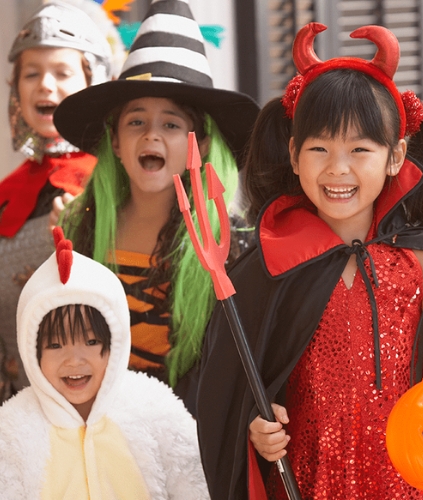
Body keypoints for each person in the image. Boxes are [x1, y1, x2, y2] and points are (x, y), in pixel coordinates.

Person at [196, 23, 423, 500]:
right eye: (319, 148)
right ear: (295, 155)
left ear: (396, 156)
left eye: (360, 149)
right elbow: (249, 390)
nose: (338, 168)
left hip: (404, 474)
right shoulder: (277, 264)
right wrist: (260, 429)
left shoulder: (417, 256)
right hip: (310, 476)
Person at [53, 0, 259, 414]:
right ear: (115, 141)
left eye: (171, 124)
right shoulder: (81, 230)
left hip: (188, 446)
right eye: (136, 121)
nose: (151, 135)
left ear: (197, 145)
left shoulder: (235, 246)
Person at [0, 227, 209, 499]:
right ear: (31, 350)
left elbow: (198, 487)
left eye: (91, 342)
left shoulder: (155, 409)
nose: (74, 360)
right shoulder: (12, 432)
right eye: (55, 345)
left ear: (116, 341)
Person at [0, 1, 115, 403]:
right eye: (32, 74)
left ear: (93, 80)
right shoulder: (8, 192)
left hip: (94, 403)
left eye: (62, 73)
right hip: (16, 406)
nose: (45, 85)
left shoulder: (114, 181)